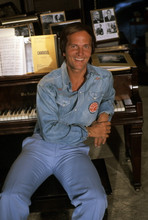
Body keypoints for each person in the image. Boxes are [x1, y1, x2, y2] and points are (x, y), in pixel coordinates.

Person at [0, 23, 115, 220]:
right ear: (63, 51)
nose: (80, 52)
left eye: (86, 46)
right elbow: (50, 131)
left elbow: (107, 98)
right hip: (40, 147)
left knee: (96, 199)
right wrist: (90, 131)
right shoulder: (48, 84)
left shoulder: (104, 77)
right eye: (74, 46)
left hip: (73, 150)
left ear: (91, 49)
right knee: (9, 197)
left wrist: (104, 116)